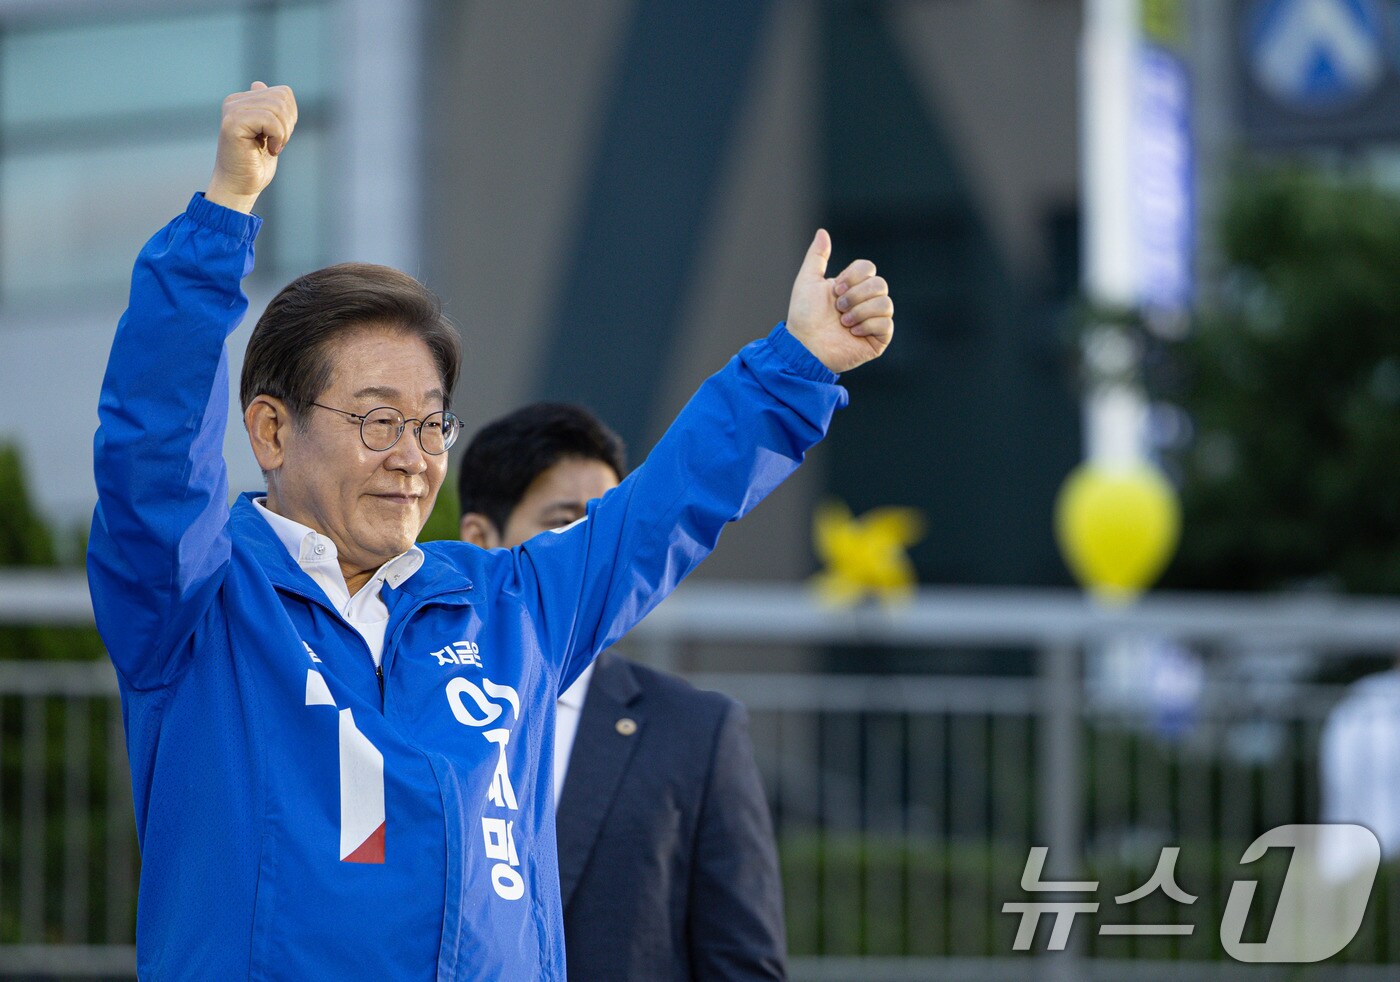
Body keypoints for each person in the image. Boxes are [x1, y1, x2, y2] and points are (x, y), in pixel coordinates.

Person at [86, 82, 892, 980]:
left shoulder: (505, 606)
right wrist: (224, 212)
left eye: (432, 425)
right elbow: (150, 453)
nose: (413, 458)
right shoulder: (197, 608)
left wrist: (798, 365)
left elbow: (663, 509)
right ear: (271, 430)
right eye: (377, 420)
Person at [458, 403, 787, 980]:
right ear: (481, 539)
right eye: (564, 524)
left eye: (609, 527)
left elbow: (743, 963)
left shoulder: (696, 730)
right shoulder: (411, 705)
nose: (593, 552)